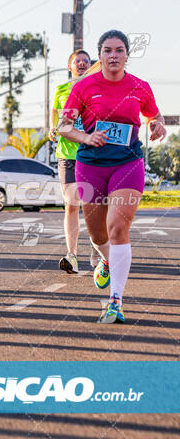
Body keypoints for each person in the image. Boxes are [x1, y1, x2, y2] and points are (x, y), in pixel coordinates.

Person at [58, 30, 166, 323]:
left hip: (127, 163)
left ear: (127, 55)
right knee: (97, 233)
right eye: (108, 50)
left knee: (118, 226)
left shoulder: (139, 87)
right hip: (90, 164)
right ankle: (106, 260)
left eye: (119, 50)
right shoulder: (84, 87)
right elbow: (64, 127)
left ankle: (115, 301)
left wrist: (158, 125)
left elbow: (154, 115)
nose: (114, 55)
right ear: (100, 56)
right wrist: (86, 136)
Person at [50, 50, 99, 274]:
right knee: (72, 203)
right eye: (77, 61)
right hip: (67, 155)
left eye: (85, 62)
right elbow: (54, 112)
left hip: (92, 154)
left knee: (93, 205)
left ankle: (96, 246)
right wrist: (52, 128)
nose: (81, 64)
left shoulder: (98, 89)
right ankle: (72, 256)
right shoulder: (61, 90)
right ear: (70, 66)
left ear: (91, 66)